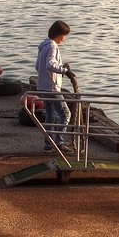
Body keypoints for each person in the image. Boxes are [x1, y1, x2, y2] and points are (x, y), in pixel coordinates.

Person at [36, 20, 73, 153]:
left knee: (50, 116)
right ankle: (59, 141)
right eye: (65, 35)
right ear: (60, 34)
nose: (65, 38)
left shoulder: (43, 46)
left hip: (42, 86)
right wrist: (64, 71)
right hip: (52, 87)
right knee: (66, 114)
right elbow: (50, 64)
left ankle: (48, 143)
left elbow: (38, 66)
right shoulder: (52, 47)